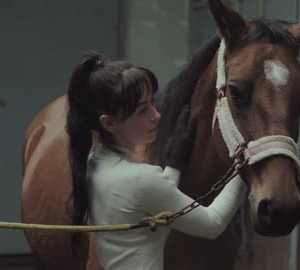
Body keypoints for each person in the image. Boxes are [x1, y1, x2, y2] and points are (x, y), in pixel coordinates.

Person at [65, 36, 247, 270]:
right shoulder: (141, 178)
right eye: (142, 110)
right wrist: (244, 163)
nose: (157, 115)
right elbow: (213, 223)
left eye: (152, 102)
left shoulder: (95, 162)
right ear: (109, 123)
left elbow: (153, 202)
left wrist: (174, 163)